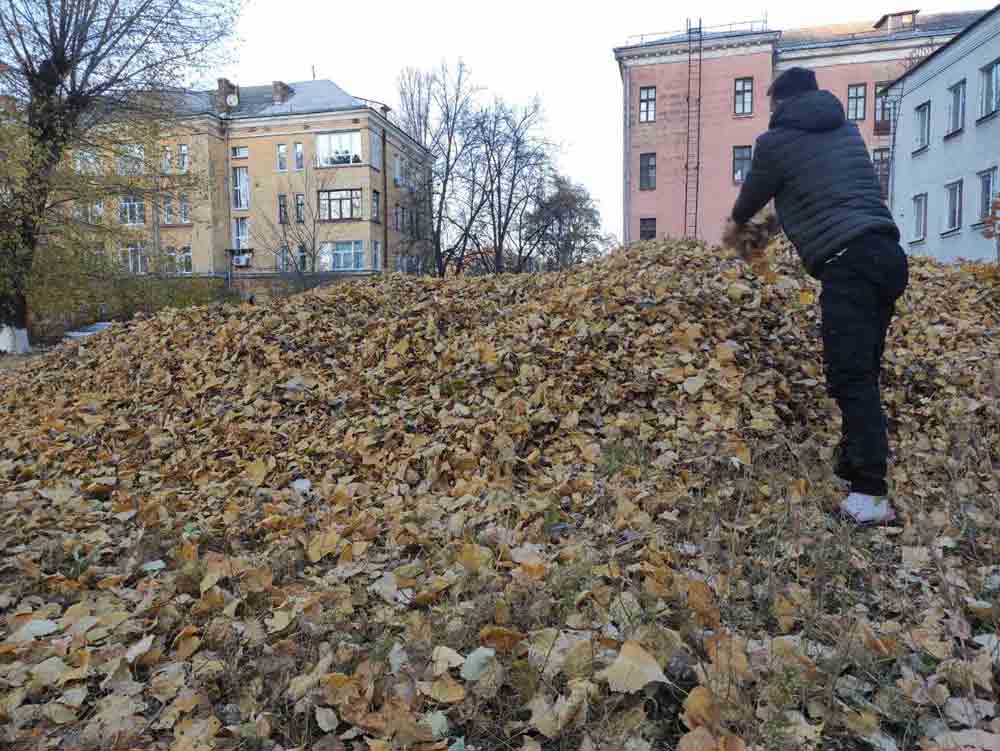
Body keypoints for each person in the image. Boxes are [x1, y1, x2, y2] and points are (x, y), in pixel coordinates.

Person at [724, 67, 909, 524]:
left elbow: (748, 204)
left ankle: (869, 496)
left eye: (770, 107)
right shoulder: (845, 130)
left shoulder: (776, 142)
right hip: (887, 256)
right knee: (862, 369)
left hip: (848, 263)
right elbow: (814, 196)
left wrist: (738, 236)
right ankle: (852, 471)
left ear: (781, 103)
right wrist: (771, 228)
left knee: (851, 377)